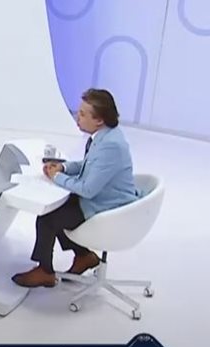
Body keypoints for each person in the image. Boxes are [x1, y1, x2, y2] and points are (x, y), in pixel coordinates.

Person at [12, 88, 141, 288]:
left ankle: (45, 271)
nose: (76, 117)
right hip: (100, 197)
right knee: (55, 208)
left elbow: (88, 189)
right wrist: (63, 168)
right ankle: (83, 256)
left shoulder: (111, 146)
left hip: (106, 207)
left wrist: (57, 177)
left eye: (82, 114)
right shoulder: (105, 136)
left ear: (99, 120)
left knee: (48, 219)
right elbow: (89, 165)